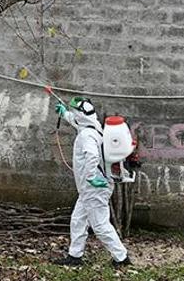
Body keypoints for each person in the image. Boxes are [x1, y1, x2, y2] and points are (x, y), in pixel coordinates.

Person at [53, 96, 132, 268]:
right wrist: (65, 114)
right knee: (78, 220)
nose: (73, 115)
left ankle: (122, 258)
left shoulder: (86, 136)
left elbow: (92, 156)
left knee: (100, 224)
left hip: (93, 187)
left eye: (74, 113)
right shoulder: (93, 128)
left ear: (80, 115)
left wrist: (90, 177)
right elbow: (78, 122)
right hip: (89, 189)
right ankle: (75, 256)